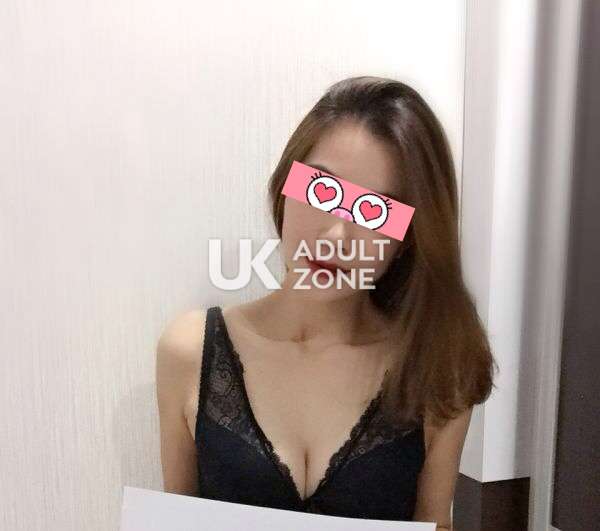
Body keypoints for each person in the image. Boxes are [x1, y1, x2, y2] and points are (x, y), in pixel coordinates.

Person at [156, 76, 497, 529]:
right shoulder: (189, 351)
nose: (337, 234)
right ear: (285, 185)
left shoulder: (435, 367)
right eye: (322, 190)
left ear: (407, 239)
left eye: (374, 212)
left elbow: (435, 522)